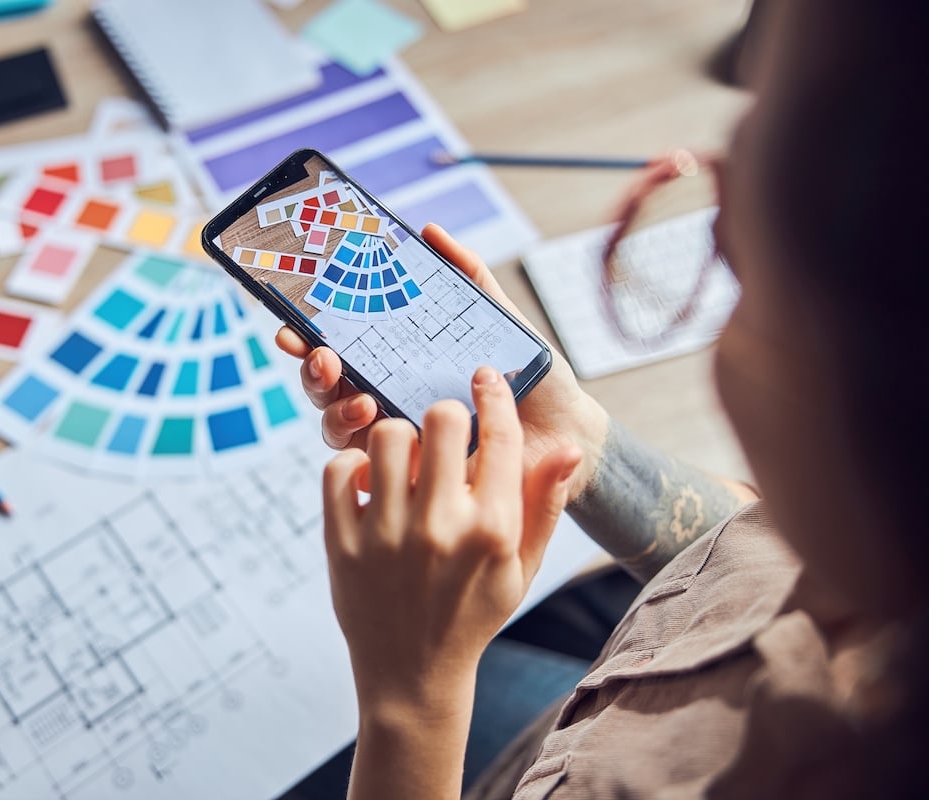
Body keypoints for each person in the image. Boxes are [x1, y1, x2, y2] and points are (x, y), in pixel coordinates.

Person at [275, 2, 929, 797]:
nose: (718, 225)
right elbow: (752, 546)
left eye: (755, 160)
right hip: (590, 703)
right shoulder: (886, 527)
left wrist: (411, 704)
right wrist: (575, 443)